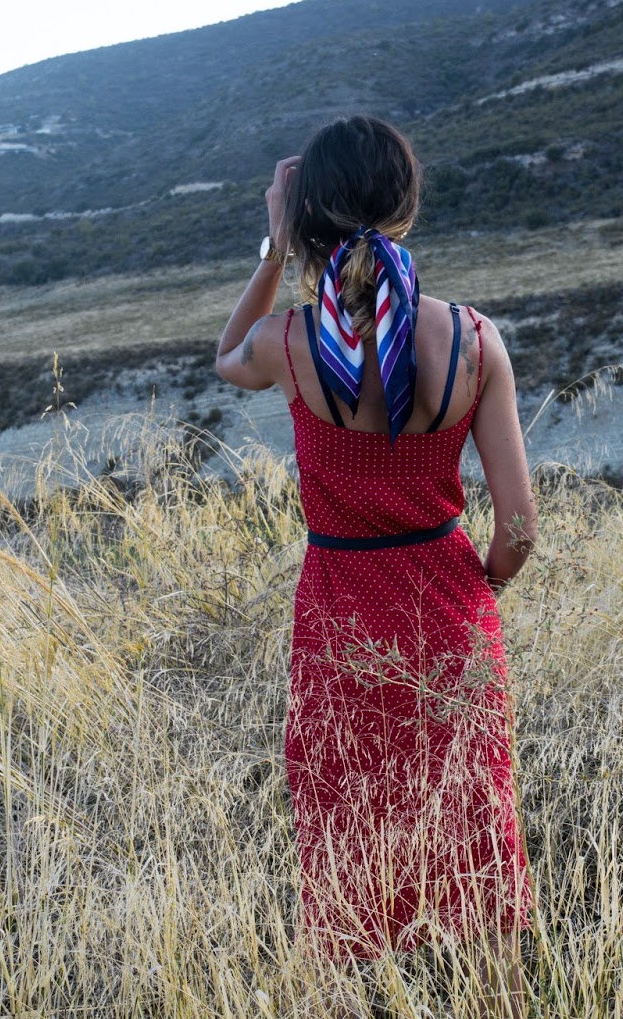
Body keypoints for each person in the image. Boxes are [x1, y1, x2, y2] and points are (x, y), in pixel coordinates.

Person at [214, 115, 537, 1018]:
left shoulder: (286, 342)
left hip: (338, 620)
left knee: (344, 838)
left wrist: (275, 247)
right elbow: (519, 528)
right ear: (407, 206)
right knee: (475, 844)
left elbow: (223, 356)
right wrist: (478, 589)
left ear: (308, 216)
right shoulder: (475, 340)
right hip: (451, 616)